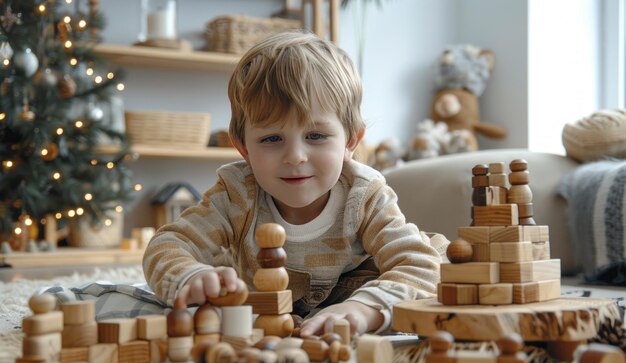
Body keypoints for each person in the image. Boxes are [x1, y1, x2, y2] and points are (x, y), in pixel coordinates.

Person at [143, 31, 444, 337]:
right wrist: (191, 276)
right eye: (271, 139)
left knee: (443, 264)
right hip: (267, 318)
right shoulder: (236, 194)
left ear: (350, 140)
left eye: (316, 136)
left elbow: (419, 266)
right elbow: (166, 246)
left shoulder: (363, 194)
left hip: (349, 302)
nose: (296, 156)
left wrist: (364, 310)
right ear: (243, 149)